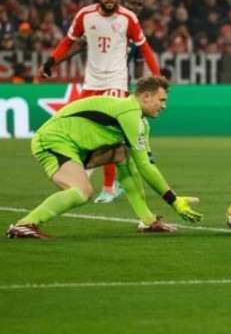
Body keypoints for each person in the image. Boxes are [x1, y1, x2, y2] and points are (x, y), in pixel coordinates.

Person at [6, 76, 203, 239]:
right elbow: (145, 166)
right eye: (161, 100)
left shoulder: (141, 123)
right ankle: (24, 225)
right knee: (82, 191)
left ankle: (148, 221)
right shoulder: (128, 112)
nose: (164, 106)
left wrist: (172, 198)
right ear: (145, 96)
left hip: (75, 147)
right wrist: (174, 201)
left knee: (123, 154)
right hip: (52, 140)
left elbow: (146, 163)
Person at [38, 0, 162, 204]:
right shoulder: (85, 16)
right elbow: (70, 42)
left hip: (116, 83)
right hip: (90, 84)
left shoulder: (127, 19)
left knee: (111, 135)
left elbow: (144, 48)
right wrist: (51, 62)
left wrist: (156, 76)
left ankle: (109, 187)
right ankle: (80, 176)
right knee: (81, 132)